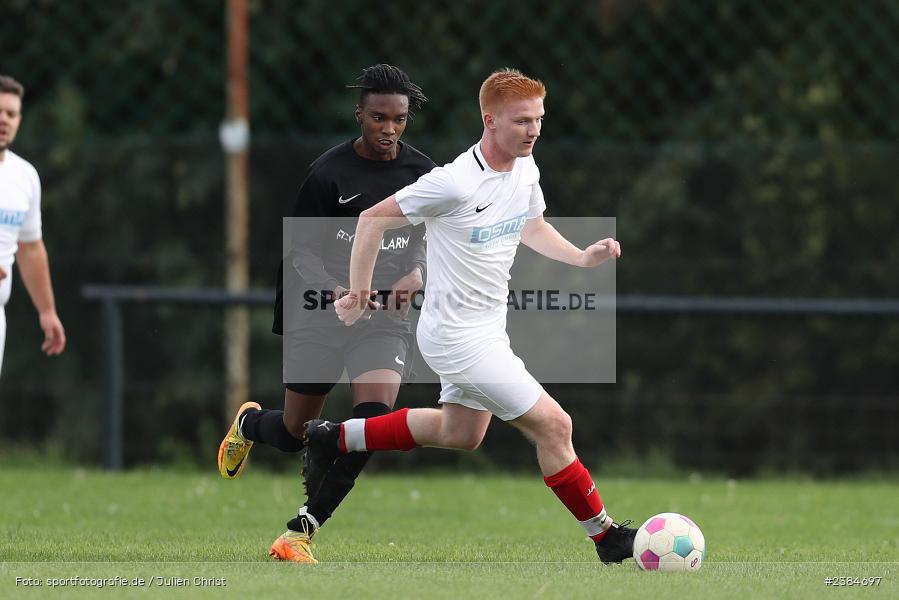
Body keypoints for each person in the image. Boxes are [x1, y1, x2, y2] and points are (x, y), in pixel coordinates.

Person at [305, 68, 636, 564]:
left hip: (487, 330)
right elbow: (371, 219)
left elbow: (533, 226)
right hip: (456, 337)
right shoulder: (454, 182)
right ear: (490, 121)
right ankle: (605, 536)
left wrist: (584, 257)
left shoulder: (526, 169)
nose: (534, 131)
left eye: (539, 119)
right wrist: (358, 291)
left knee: (460, 433)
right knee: (555, 425)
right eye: (522, 121)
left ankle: (335, 437)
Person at [217, 64, 436, 563]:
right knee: (295, 434)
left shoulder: (423, 174)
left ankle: (302, 529)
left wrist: (416, 274)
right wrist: (338, 290)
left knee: (375, 421)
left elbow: (430, 236)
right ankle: (251, 426)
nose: (389, 129)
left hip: (383, 317)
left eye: (399, 119)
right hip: (320, 311)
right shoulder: (327, 174)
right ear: (359, 114)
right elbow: (301, 252)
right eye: (378, 117)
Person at [0, 74, 66, 377]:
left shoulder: (24, 176)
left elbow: (30, 247)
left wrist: (47, 310)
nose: (4, 120)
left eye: (11, 114)